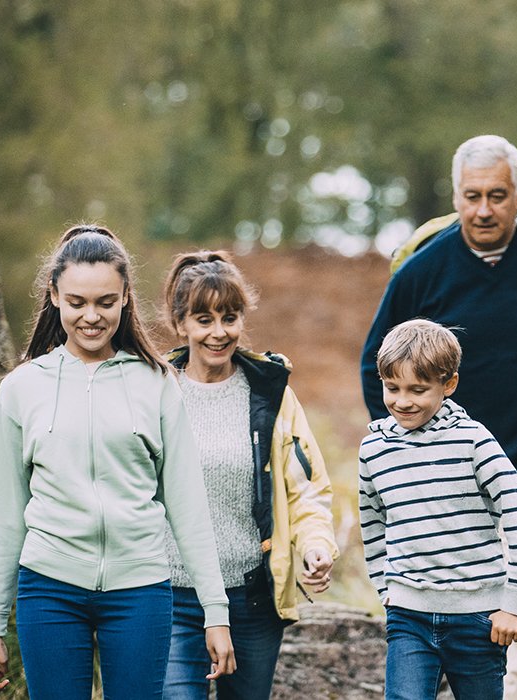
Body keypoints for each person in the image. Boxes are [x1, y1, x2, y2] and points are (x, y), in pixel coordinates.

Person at [359, 134, 517, 698]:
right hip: (448, 483)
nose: (483, 209)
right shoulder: (422, 274)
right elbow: (375, 365)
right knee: (457, 630)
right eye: (471, 196)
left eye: (497, 195)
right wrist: (408, 451)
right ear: (456, 197)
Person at [0, 225, 236, 697]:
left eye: (105, 302)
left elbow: (187, 506)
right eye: (77, 302)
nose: (91, 317)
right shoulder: (22, 388)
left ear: (124, 298)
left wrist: (214, 612)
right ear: (54, 295)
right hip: (50, 588)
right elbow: (6, 515)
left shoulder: (157, 383)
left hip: (140, 590)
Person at [157, 251, 338, 699]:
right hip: (173, 598)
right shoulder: (153, 390)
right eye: (204, 319)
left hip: (252, 599)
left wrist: (315, 544)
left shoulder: (269, 394)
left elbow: (306, 489)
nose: (219, 333)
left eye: (229, 317)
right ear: (180, 324)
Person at [360, 319, 517, 700]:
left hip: (478, 618)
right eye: (392, 388)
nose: (403, 401)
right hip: (408, 615)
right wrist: (385, 588)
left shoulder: (473, 441)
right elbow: (373, 523)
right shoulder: (374, 449)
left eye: (418, 390)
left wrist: (514, 605)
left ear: (449, 385)